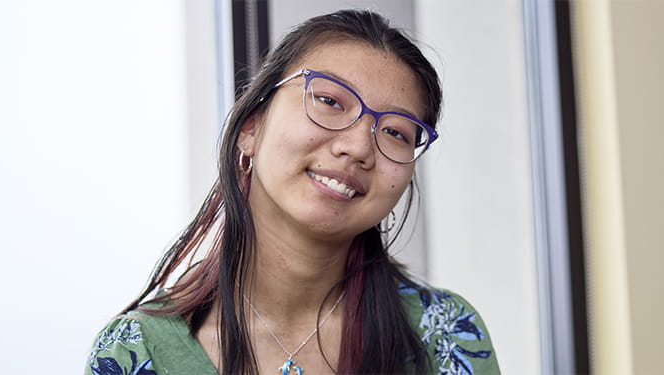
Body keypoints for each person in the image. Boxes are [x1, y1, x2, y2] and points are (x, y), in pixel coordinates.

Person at [85, 9, 499, 375]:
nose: (357, 148)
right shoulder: (135, 353)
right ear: (250, 128)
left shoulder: (448, 338)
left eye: (395, 132)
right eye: (329, 101)